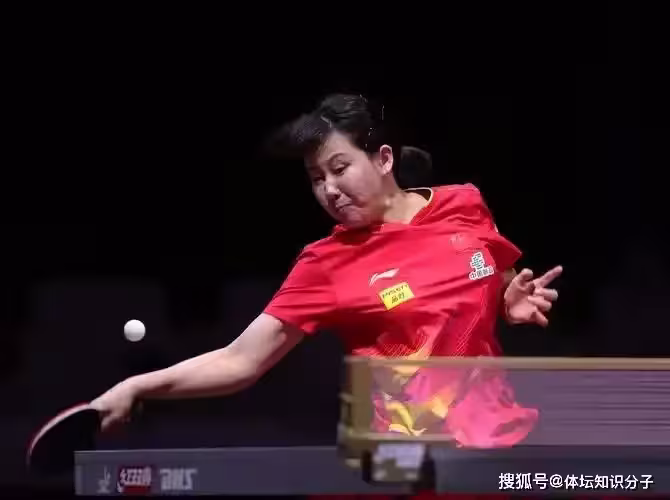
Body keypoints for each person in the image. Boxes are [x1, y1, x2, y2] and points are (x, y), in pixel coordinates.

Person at [91, 94, 562, 447]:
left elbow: (485, 278)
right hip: (404, 456)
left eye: (340, 168)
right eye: (317, 179)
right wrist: (140, 386)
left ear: (383, 159)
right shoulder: (326, 263)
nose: (329, 190)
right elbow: (240, 360)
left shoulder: (464, 204)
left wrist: (505, 299)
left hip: (495, 441)